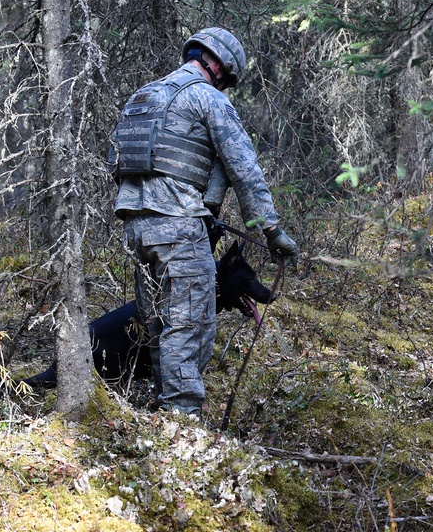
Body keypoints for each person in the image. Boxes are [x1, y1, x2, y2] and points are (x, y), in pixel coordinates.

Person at [107, 27, 299, 415]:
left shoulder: (143, 95)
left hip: (136, 229)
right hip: (178, 226)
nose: (226, 87)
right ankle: (181, 427)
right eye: (227, 81)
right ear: (222, 67)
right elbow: (244, 168)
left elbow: (118, 162)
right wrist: (271, 230)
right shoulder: (208, 98)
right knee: (190, 328)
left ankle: (165, 418)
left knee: (159, 325)